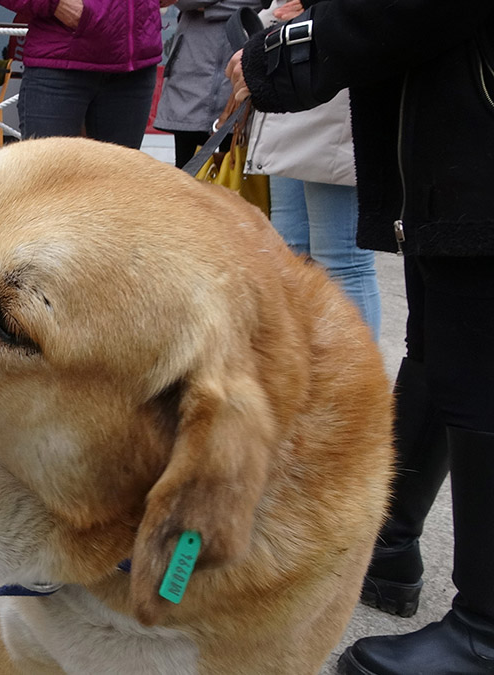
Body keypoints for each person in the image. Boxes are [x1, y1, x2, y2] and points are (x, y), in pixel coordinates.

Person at [227, 2, 494, 673]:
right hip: (452, 129)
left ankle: (486, 628)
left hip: (477, 121)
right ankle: (388, 539)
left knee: (480, 364)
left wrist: (288, 49)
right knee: (442, 344)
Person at [243, 0, 379, 337]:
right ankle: (305, 370)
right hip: (293, 72)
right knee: (288, 253)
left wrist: (313, 12)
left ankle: (352, 381)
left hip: (331, 77)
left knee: (341, 260)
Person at [0, 0, 172, 149]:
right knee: (50, 181)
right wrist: (55, 3)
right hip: (60, 65)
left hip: (135, 70)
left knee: (120, 186)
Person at [153, 0, 265, 168]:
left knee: (230, 170)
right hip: (192, 66)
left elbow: (262, 2)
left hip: (238, 61)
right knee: (185, 171)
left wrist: (207, 9)